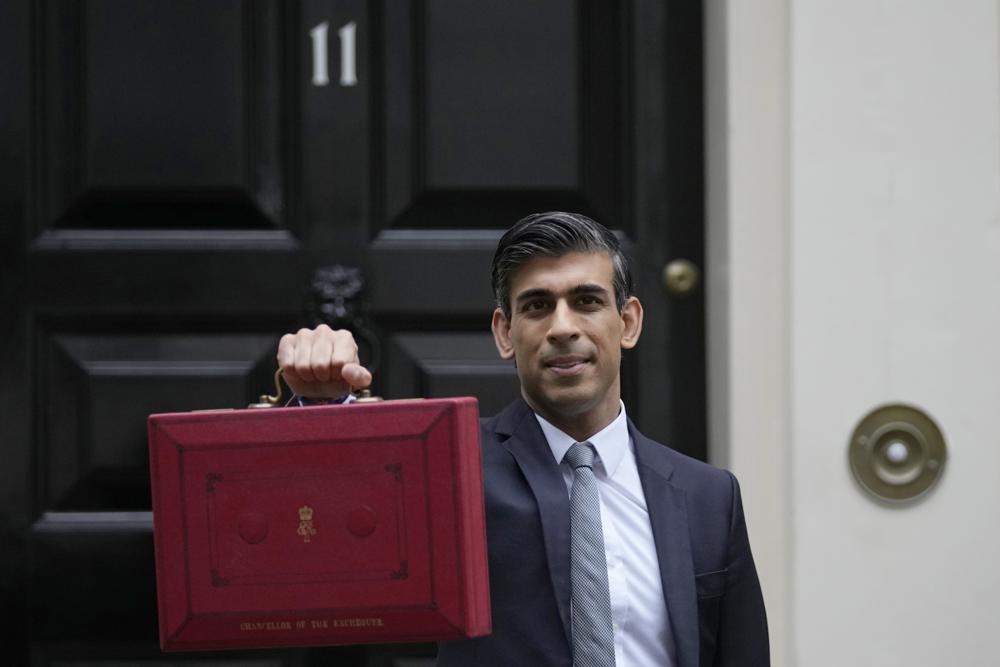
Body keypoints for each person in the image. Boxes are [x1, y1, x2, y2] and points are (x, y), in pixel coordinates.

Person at [277, 212, 769, 667]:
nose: (562, 327)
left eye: (587, 301)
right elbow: (327, 540)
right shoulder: (449, 467)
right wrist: (323, 411)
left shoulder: (709, 496)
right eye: (537, 306)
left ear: (629, 322)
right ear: (505, 333)